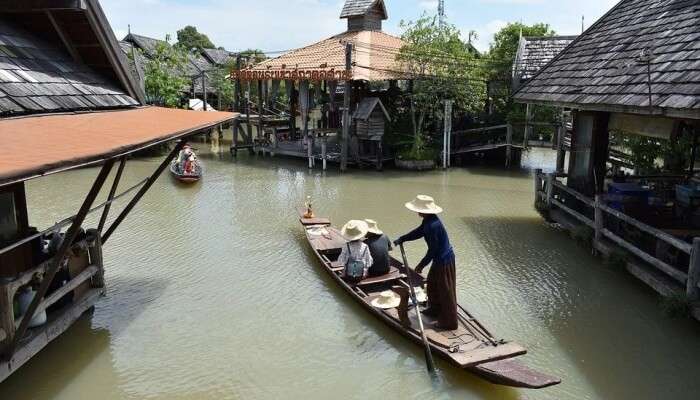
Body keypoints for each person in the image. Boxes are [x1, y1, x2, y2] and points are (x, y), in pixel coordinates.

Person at [394, 195, 457, 330]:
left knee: (445, 290)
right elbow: (419, 232)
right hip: (438, 259)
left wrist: (421, 265)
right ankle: (434, 309)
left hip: (444, 260)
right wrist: (403, 238)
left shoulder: (432, 225)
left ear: (424, 211)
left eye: (418, 210)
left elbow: (433, 250)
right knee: (432, 285)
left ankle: (449, 322)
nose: (417, 212)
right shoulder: (429, 221)